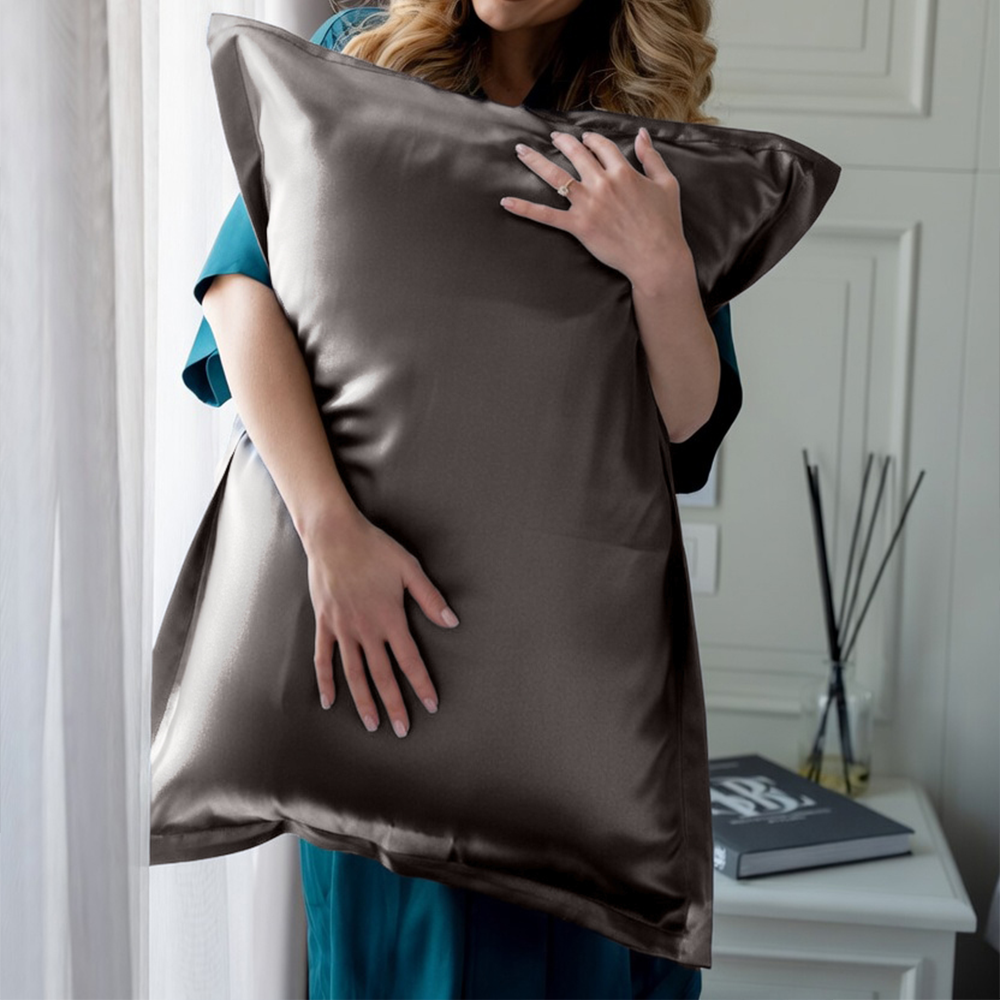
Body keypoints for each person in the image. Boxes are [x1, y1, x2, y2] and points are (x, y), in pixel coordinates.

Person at [187, 2, 742, 996]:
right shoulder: (361, 51)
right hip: (380, 648)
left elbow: (686, 427)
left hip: (570, 685)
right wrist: (330, 533)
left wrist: (659, 267)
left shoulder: (652, 127)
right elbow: (239, 292)